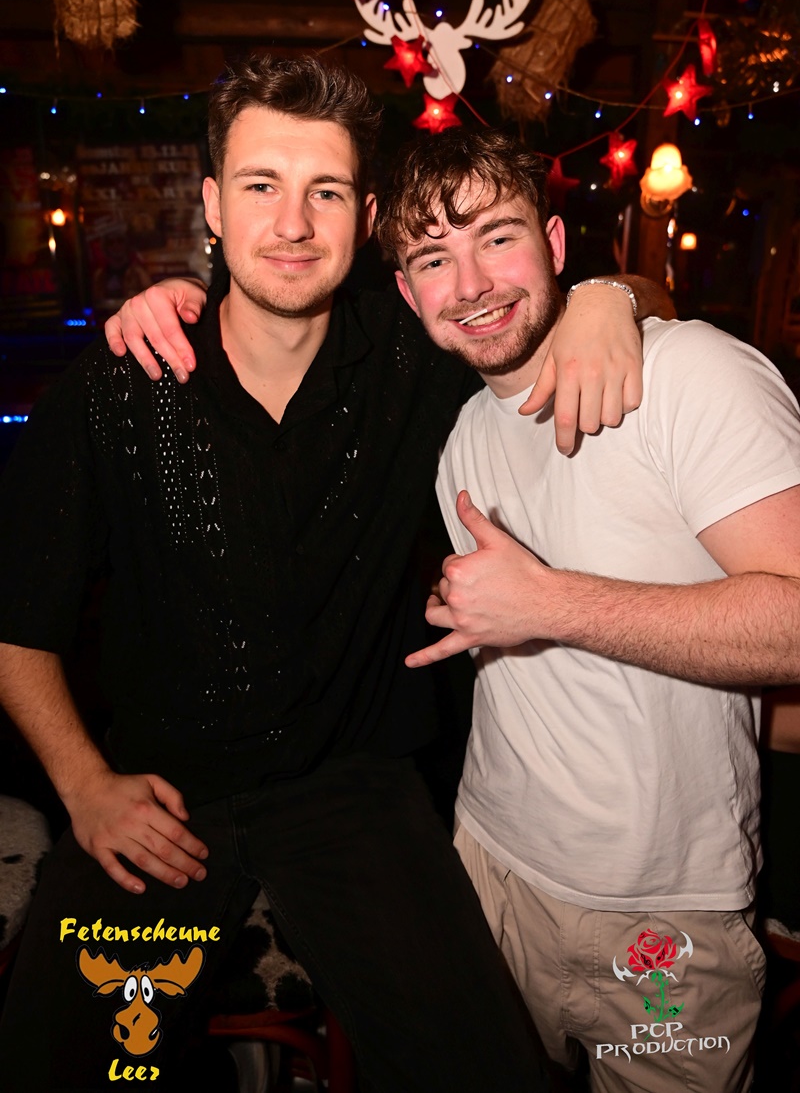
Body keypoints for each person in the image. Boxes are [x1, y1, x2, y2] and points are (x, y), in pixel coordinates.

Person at [0, 54, 656, 1092]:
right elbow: (16, 618)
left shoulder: (417, 348)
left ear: (366, 216)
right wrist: (84, 786)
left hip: (354, 789)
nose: (293, 223)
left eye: (328, 192)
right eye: (261, 185)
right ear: (213, 204)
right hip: (159, 795)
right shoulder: (122, 384)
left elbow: (557, 299)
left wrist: (609, 297)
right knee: (61, 1073)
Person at [372, 126, 800, 1093]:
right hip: (491, 870)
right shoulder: (461, 439)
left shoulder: (692, 377)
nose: (471, 283)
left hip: (668, 911)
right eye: (433, 259)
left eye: (497, 237)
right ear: (407, 292)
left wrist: (550, 604)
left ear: (557, 243)